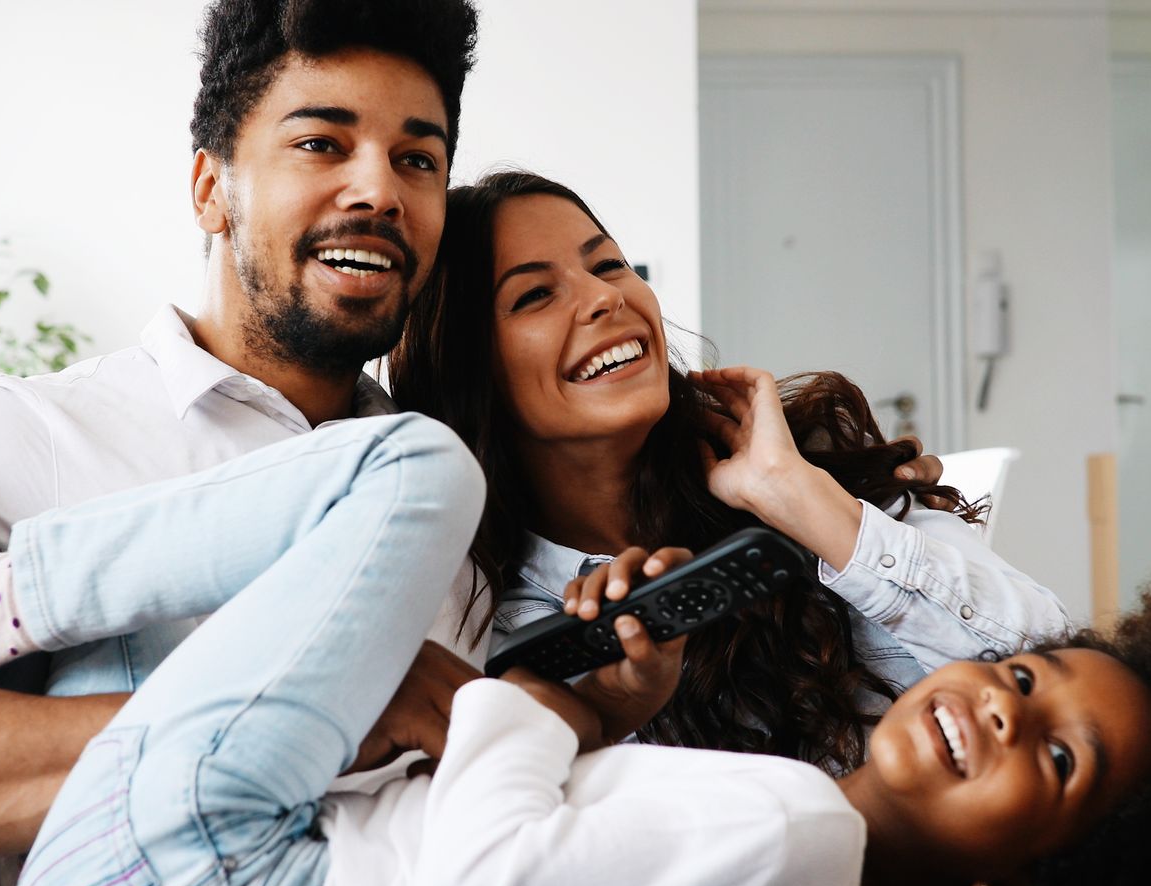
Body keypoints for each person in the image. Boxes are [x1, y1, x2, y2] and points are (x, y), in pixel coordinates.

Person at [0, 3, 1011, 886]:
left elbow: (488, 804)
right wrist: (271, 727)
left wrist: (599, 710)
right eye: (322, 143)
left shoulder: (470, 482)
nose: (377, 190)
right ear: (211, 185)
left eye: (417, 157)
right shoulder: (32, 432)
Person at [0, 442, 1151, 886]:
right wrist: (602, 718)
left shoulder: (800, 823)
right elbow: (546, 873)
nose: (997, 712)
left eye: (1055, 757)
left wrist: (524, 701)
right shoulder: (788, 836)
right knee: (227, 628)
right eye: (1022, 679)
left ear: (1023, 884)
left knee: (413, 471)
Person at [389, 170, 1068, 776]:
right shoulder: (507, 636)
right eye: (535, 294)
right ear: (469, 375)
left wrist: (798, 496)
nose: (605, 298)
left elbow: (1058, 666)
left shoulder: (805, 472)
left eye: (610, 265)